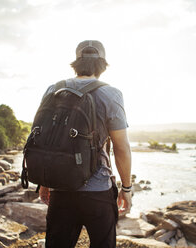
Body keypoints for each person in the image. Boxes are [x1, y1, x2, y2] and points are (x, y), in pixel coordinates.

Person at [39, 40, 132, 248]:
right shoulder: (111, 94)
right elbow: (121, 147)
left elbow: (46, 140)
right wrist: (126, 188)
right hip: (98, 190)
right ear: (102, 65)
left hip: (60, 188)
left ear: (76, 62)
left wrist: (45, 181)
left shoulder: (53, 90)